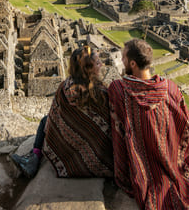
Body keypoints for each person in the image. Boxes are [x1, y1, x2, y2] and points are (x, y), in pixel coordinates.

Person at [108, 38, 189, 210]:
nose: (122, 61)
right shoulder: (170, 88)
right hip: (172, 157)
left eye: (124, 58)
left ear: (132, 63)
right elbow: (186, 125)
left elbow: (117, 130)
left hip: (143, 170)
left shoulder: (118, 90)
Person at [11, 45, 114, 178]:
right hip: (96, 154)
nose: (101, 64)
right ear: (88, 68)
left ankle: (35, 157)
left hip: (63, 148)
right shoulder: (101, 93)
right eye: (98, 62)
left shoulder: (65, 87)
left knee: (45, 121)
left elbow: (55, 115)